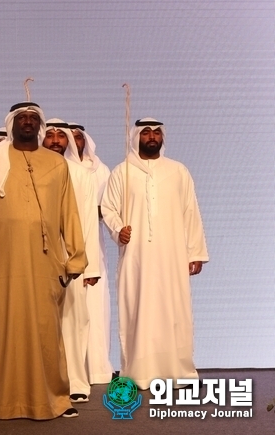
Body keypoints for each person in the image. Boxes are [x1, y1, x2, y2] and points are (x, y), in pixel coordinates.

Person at [0, 102, 87, 420]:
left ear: (39, 126)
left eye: (33, 119)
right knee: (5, 333)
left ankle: (55, 400)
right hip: (4, 264)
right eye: (22, 118)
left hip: (47, 264)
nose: (28, 123)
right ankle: (4, 403)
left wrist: (75, 260)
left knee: (46, 334)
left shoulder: (56, 164)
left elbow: (69, 212)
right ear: (12, 124)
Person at [101, 118, 208, 390]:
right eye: (146, 132)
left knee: (174, 310)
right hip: (137, 258)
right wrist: (117, 230)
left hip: (173, 257)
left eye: (156, 132)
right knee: (139, 309)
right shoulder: (122, 172)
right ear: (137, 136)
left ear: (162, 138)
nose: (151, 137)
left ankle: (177, 372)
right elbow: (108, 209)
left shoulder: (178, 171)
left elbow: (190, 213)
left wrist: (194, 251)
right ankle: (140, 372)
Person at [43, 119, 101, 404]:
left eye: (60, 136)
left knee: (76, 320)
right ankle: (43, 382)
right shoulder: (31, 170)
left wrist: (89, 265)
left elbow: (89, 220)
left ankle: (76, 381)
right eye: (49, 135)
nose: (55, 140)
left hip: (73, 261)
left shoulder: (80, 172)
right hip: (38, 260)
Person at [68, 122, 114, 385]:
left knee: (95, 307)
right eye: (70, 138)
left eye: (78, 138)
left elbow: (108, 206)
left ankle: (96, 368)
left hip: (93, 243)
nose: (75, 143)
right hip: (64, 244)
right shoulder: (60, 169)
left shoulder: (101, 169)